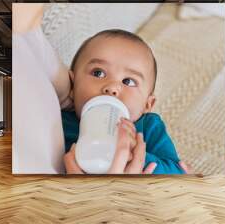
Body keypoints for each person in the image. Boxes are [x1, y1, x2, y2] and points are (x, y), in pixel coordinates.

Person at [62, 29, 185, 174]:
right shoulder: (60, 121)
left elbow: (177, 172)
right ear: (72, 84)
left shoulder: (148, 127)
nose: (112, 87)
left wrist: (137, 154)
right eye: (98, 73)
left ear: (148, 104)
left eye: (128, 81)